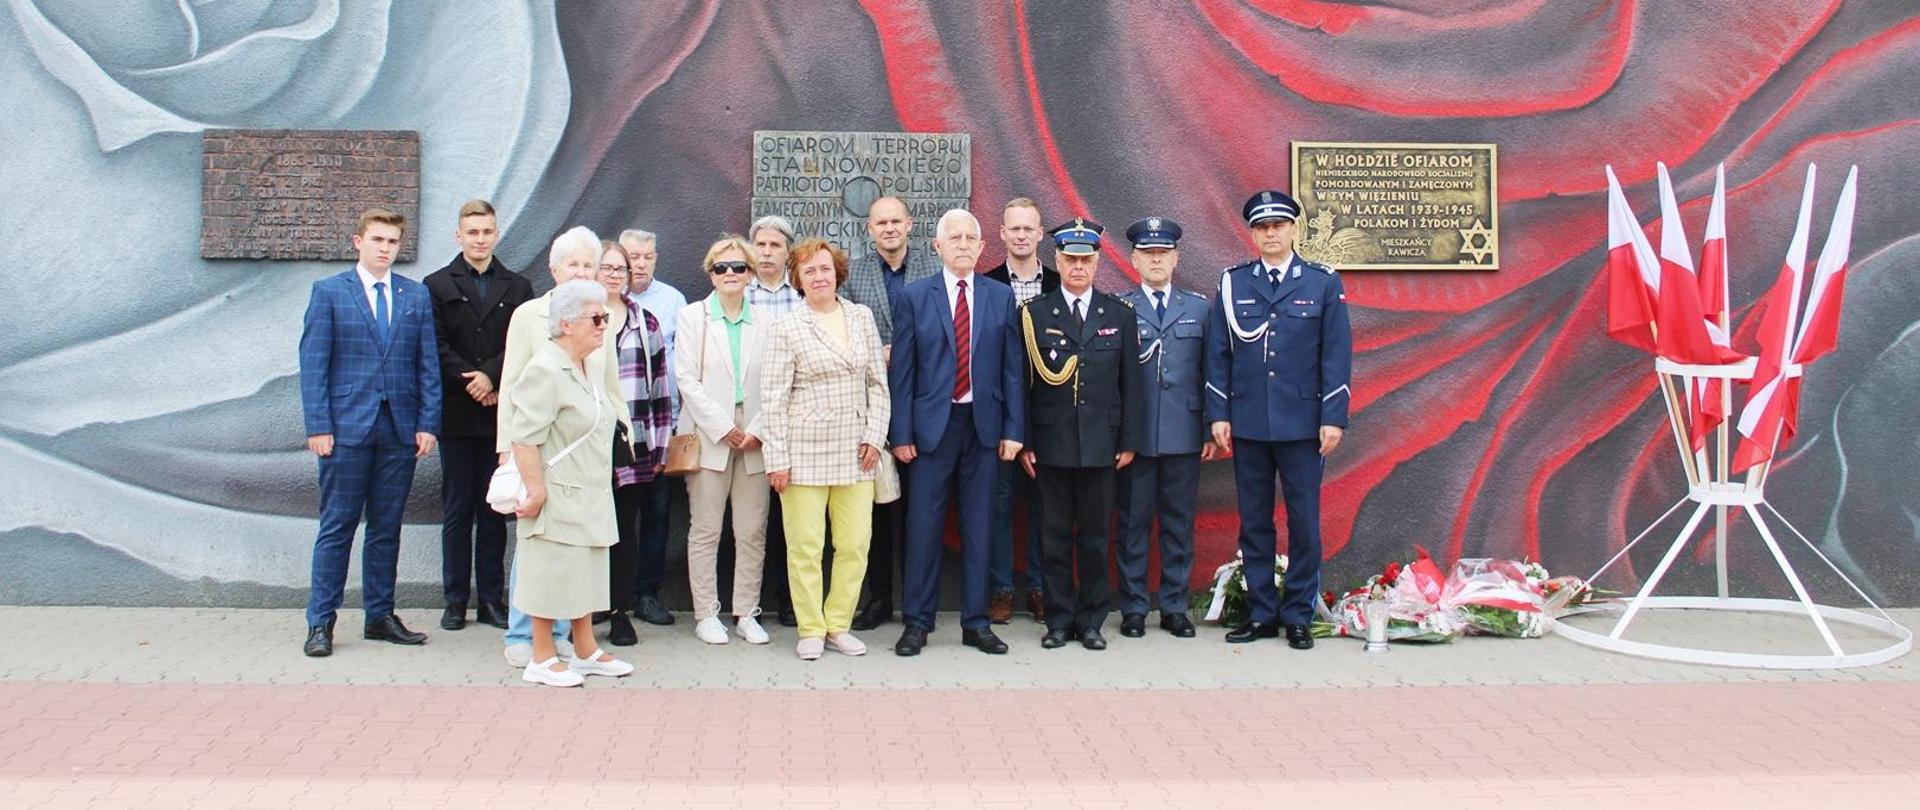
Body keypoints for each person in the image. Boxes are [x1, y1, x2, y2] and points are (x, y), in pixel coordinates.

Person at [1204, 190, 1353, 649]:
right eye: (1262, 227)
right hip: (1248, 420)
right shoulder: (1234, 283)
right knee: (1254, 522)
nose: (1270, 233)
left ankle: (1299, 615)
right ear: (1252, 233)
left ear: (1293, 229)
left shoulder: (1322, 283)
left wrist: (1333, 417)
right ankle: (1263, 612)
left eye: (1279, 225)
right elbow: (1218, 353)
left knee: (1304, 522)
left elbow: (1336, 354)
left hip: (1305, 423)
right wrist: (1218, 413)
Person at [297, 208, 442, 657]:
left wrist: (427, 422)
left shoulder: (414, 296)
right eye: (377, 239)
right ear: (358, 242)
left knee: (386, 528)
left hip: (398, 429)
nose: (385, 248)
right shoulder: (330, 293)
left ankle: (380, 615)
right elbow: (313, 364)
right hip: (345, 430)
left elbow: (427, 365)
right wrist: (318, 425)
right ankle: (321, 622)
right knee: (337, 526)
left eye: (392, 241)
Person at [887, 209, 1026, 656]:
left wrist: (1013, 429)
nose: (964, 244)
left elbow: (1012, 370)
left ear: (983, 247)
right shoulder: (914, 297)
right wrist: (901, 433)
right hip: (931, 430)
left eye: (972, 238)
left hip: (983, 429)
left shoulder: (1000, 296)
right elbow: (903, 374)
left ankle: (976, 622)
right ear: (938, 246)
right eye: (955, 237)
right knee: (923, 528)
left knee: (980, 527)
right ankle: (916, 622)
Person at [496, 226, 634, 668]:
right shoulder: (533, 320)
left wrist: (623, 431)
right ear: (555, 270)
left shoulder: (599, 320)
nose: (580, 271)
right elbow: (517, 390)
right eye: (572, 263)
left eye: (588, 264)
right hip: (549, 460)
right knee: (544, 551)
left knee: (581, 556)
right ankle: (527, 638)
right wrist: (509, 453)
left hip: (588, 459)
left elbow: (609, 385)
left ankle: (576, 643)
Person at [759, 239, 890, 660]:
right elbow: (773, 399)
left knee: (855, 544)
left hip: (857, 450)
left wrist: (874, 434)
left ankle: (839, 623)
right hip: (803, 452)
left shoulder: (861, 317)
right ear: (797, 279)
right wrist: (776, 459)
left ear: (838, 274)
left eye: (826, 269)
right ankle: (811, 627)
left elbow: (877, 385)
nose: (819, 276)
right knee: (805, 547)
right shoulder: (787, 327)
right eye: (810, 270)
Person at [1016, 219, 1142, 651]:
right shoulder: (1034, 315)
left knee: (1093, 538)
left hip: (1102, 447)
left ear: (1097, 262)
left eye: (1085, 260)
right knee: (1052, 537)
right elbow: (1022, 385)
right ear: (1057, 260)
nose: (1077, 267)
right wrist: (1026, 441)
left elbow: (1132, 385)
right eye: (1070, 259)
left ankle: (1090, 621)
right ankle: (1058, 620)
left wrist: (1128, 440)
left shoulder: (1119, 315)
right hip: (1051, 445)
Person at [424, 199, 534, 632]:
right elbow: (434, 345)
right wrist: (471, 381)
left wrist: (491, 377)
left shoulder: (518, 286)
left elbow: (523, 344)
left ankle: (491, 599)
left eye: (487, 231)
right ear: (459, 236)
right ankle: (455, 600)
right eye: (472, 232)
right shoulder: (436, 284)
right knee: (457, 509)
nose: (480, 239)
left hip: (500, 415)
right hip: (457, 412)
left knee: (495, 510)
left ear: (496, 234)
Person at [840, 195, 939, 631]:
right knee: (876, 512)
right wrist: (872, 352)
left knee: (921, 510)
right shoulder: (854, 274)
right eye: (881, 222)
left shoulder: (933, 270)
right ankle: (878, 598)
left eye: (896, 220)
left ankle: (919, 601)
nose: (890, 228)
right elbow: (840, 327)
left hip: (923, 405)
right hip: (870, 409)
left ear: (910, 224)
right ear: (870, 229)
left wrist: (906, 352)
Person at [1115, 217, 1211, 639]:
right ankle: (1134, 607)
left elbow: (1213, 373)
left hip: (1184, 434)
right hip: (1136, 438)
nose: (1156, 259)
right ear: (1134, 259)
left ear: (1175, 258)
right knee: (1132, 525)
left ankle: (1174, 606)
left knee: (1178, 525)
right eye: (1148, 253)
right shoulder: (1118, 308)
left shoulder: (1199, 309)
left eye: (1163, 252)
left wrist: (1209, 427)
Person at [675, 235, 773, 646]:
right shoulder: (693, 317)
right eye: (721, 268)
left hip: (755, 435)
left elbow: (777, 382)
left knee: (751, 530)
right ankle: (706, 613)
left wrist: (756, 427)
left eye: (738, 267)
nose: (729, 274)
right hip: (708, 433)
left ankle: (747, 612)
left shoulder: (769, 321)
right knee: (706, 529)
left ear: (751, 273)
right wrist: (724, 427)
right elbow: (686, 378)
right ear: (710, 273)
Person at [981, 197, 1059, 625]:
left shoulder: (1060, 283)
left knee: (1046, 507)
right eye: (1015, 228)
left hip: (1049, 414)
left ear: (1041, 233)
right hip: (998, 416)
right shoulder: (986, 284)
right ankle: (1001, 590)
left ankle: (1040, 588)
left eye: (1030, 228)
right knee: (999, 506)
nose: (1022, 235)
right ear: (1002, 234)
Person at [598, 240, 673, 646]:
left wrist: (660, 445)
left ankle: (619, 612)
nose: (613, 275)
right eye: (606, 268)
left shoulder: (645, 321)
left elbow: (660, 385)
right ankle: (585, 607)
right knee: (589, 532)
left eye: (619, 269)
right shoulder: (577, 318)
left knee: (624, 531)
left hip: (632, 446)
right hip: (585, 445)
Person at [619, 227, 683, 627]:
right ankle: (612, 598)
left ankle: (647, 594)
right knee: (617, 518)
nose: (639, 264)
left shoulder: (672, 301)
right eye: (632, 257)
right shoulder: (603, 299)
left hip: (661, 426)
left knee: (658, 514)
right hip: (616, 433)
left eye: (647, 257)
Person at [746, 215, 803, 628]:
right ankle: (747, 603)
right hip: (744, 422)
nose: (766, 252)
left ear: (788, 252)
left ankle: (788, 600)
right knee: (748, 520)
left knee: (790, 521)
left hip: (792, 422)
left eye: (775, 246)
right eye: (760, 245)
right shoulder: (736, 293)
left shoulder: (802, 297)